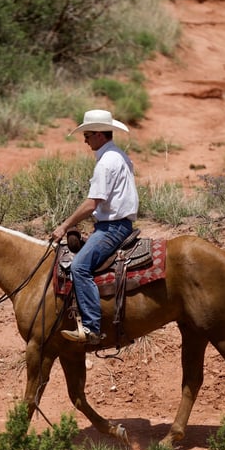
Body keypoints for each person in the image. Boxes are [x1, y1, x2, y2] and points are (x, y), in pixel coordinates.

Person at [50, 109, 139, 345]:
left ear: (99, 134)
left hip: (113, 228)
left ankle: (91, 327)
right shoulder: (118, 156)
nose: (85, 139)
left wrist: (64, 226)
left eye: (87, 134)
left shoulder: (106, 163)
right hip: (117, 224)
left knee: (79, 267)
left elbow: (92, 203)